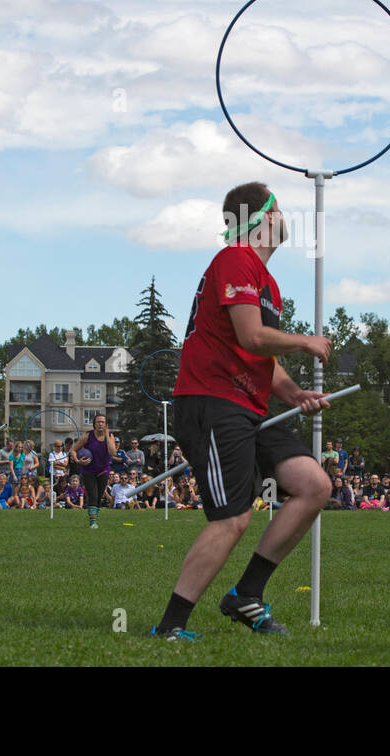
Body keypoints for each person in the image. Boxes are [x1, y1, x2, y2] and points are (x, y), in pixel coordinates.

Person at [151, 183, 332, 640]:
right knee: (231, 518)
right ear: (264, 216)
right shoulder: (234, 258)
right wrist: (305, 342)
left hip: (246, 406)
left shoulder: (267, 283)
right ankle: (171, 626)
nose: (287, 216)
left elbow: (258, 358)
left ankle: (246, 594)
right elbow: (252, 337)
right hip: (212, 401)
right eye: (281, 207)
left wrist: (293, 394)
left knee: (314, 485)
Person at [69, 413, 116, 530]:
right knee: (93, 496)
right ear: (94, 425)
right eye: (98, 422)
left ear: (106, 425)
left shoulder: (110, 436)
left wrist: (107, 435)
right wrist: (78, 460)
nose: (100, 424)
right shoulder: (87, 436)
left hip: (103, 470)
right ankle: (93, 522)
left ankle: (94, 516)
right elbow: (73, 450)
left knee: (99, 496)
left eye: (102, 422)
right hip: (88, 470)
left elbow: (112, 453)